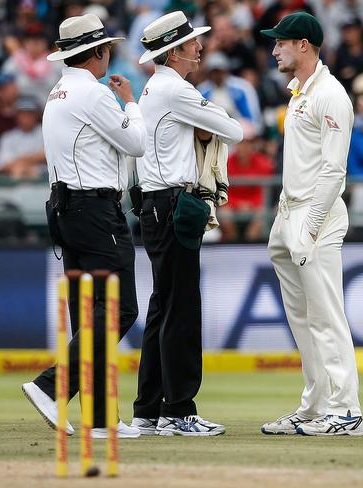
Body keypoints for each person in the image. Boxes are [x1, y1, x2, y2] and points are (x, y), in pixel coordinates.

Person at [21, 13, 148, 439]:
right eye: (106, 47)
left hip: (65, 209)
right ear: (97, 52)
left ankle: (98, 416)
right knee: (120, 307)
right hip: (95, 210)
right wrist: (131, 102)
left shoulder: (57, 92)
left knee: (89, 313)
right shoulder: (93, 94)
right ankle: (50, 387)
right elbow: (136, 143)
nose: (109, 53)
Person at [131, 10, 243, 436]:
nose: (199, 47)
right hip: (174, 205)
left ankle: (148, 410)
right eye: (192, 42)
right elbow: (235, 131)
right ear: (175, 51)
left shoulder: (155, 88)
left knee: (163, 308)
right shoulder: (175, 90)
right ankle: (178, 411)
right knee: (180, 311)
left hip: (156, 206)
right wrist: (206, 123)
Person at [259, 12, 363, 436]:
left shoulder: (332, 95)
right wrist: (287, 222)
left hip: (315, 216)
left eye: (281, 43)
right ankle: (317, 405)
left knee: (325, 315)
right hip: (290, 213)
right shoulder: (300, 92)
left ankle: (346, 411)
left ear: (304, 45)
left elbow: (334, 172)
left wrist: (311, 226)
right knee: (302, 319)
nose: (274, 49)